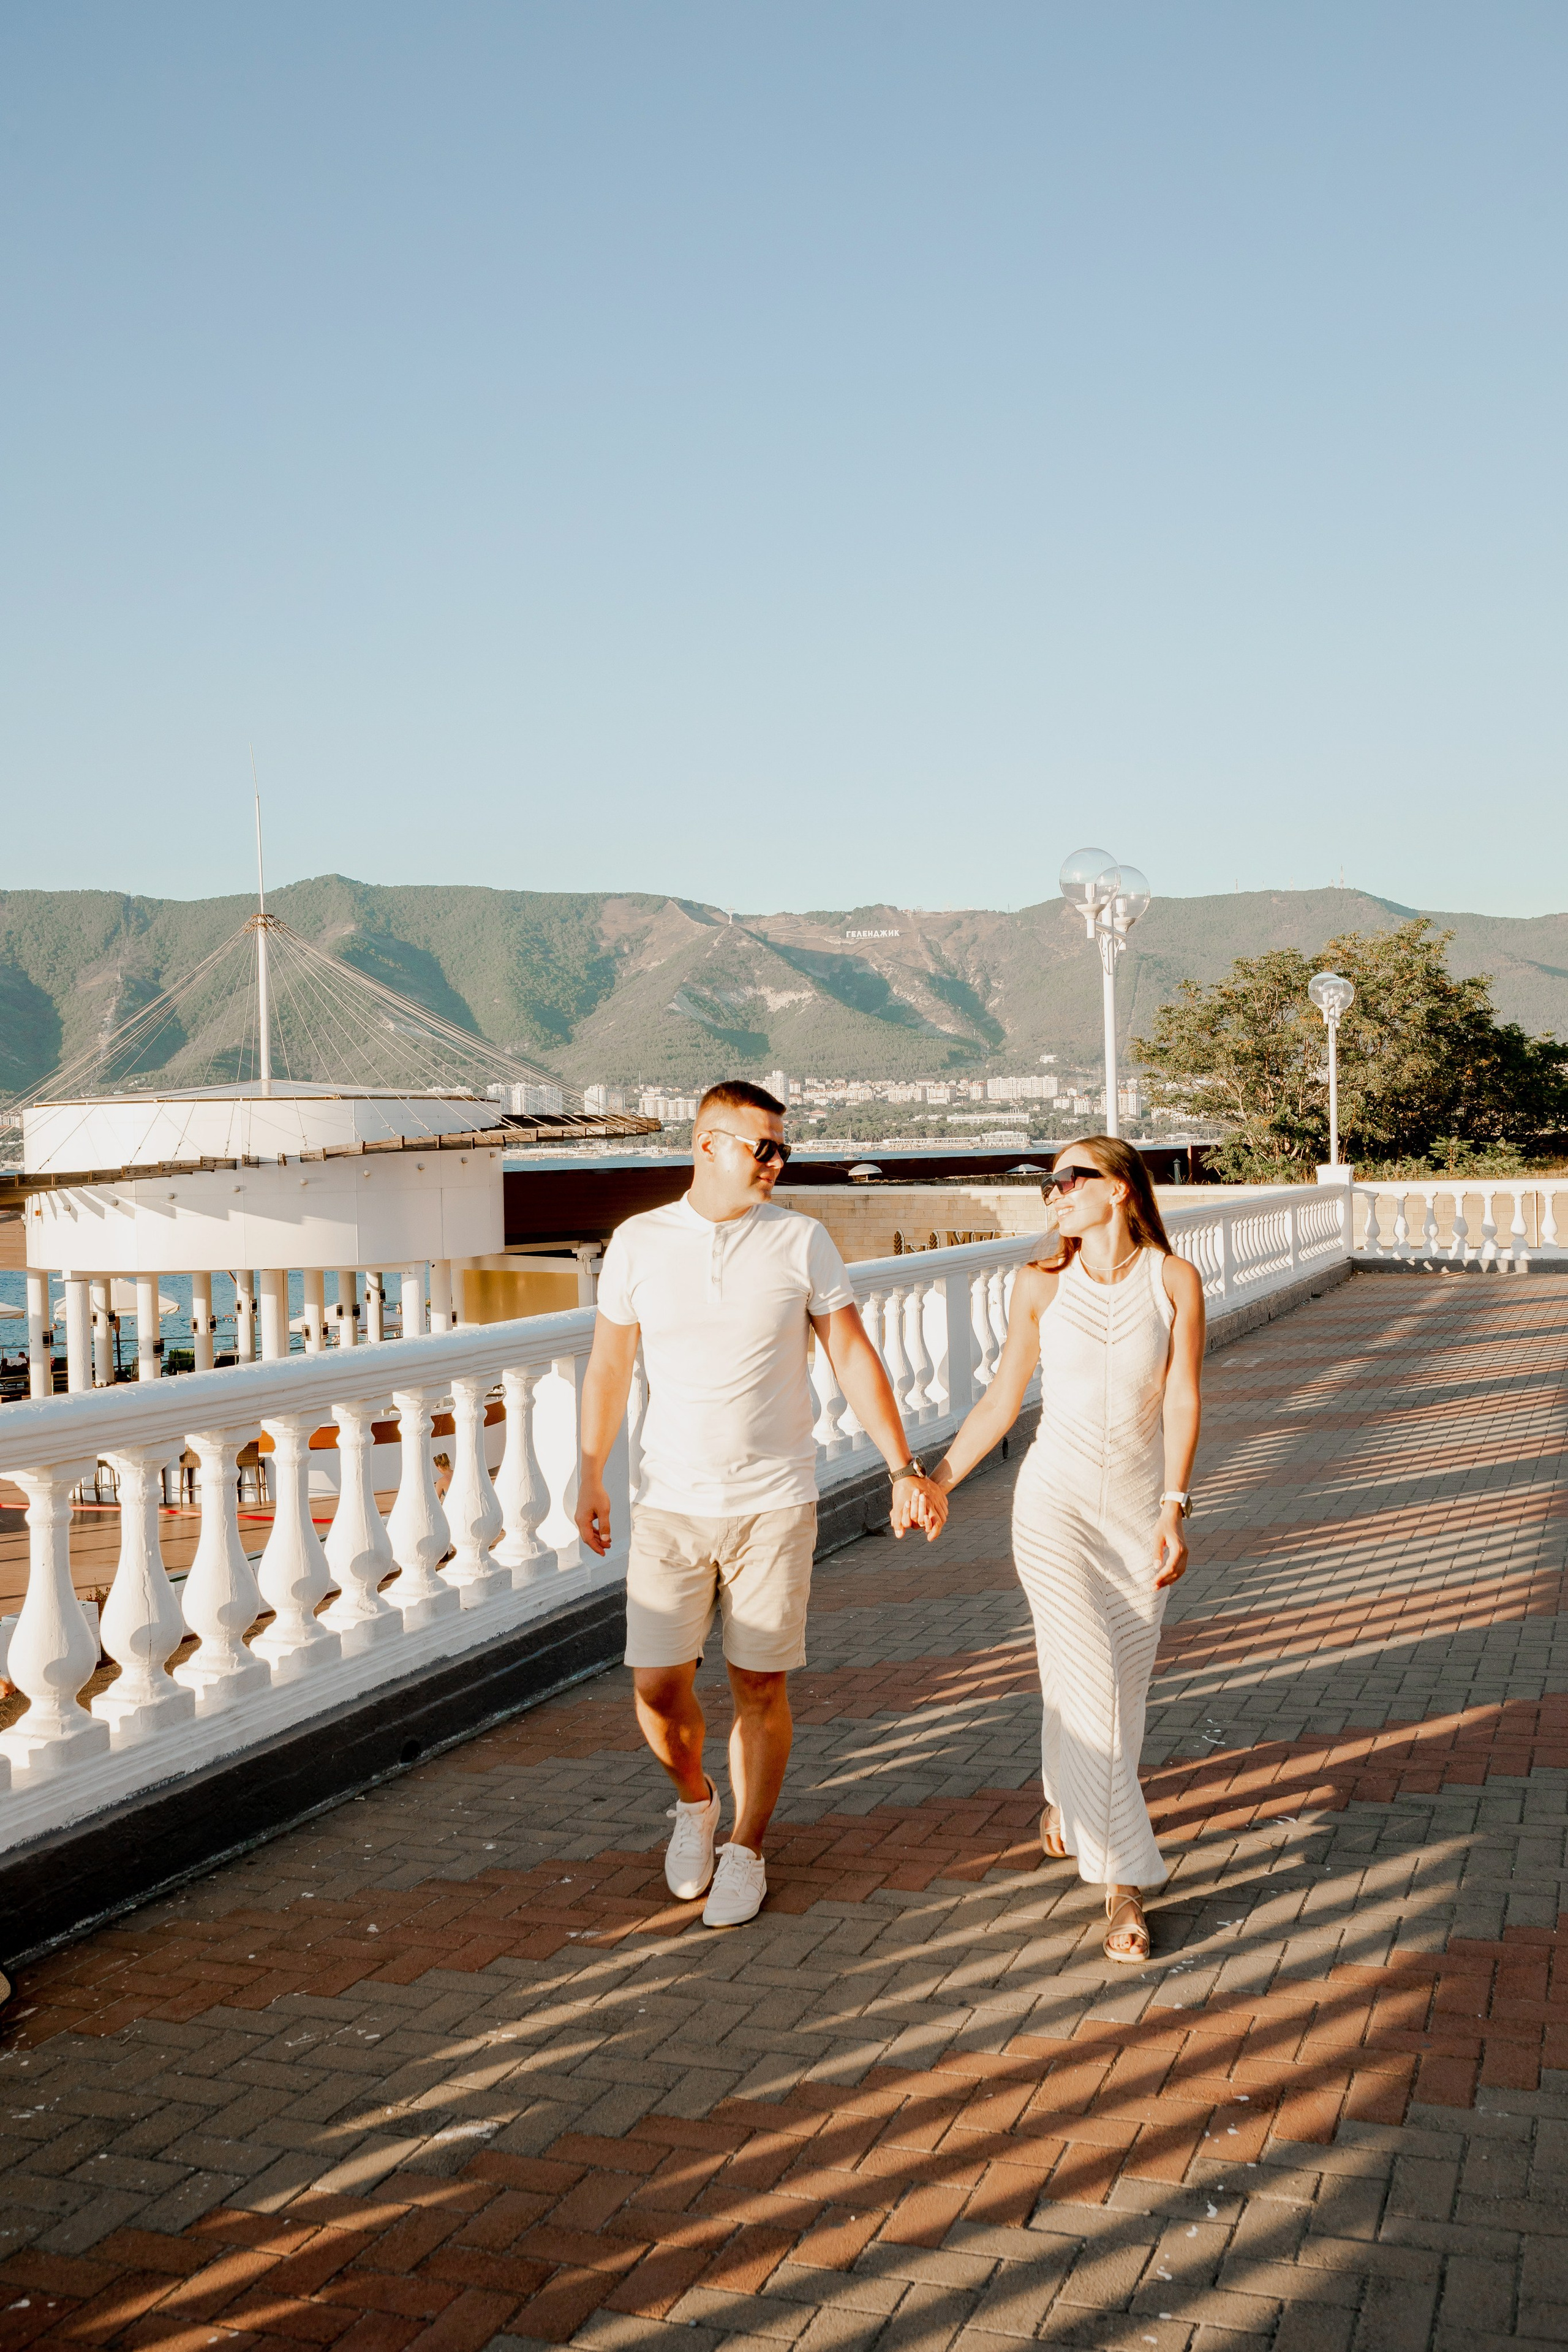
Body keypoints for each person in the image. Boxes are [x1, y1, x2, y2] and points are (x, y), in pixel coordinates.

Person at [576, 1079, 948, 1929]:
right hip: (669, 1502)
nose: (779, 1163)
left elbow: (853, 1358)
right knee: (658, 1688)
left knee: (759, 1683)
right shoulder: (638, 1243)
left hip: (774, 1502)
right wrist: (589, 1470)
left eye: (785, 1149)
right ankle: (695, 1801)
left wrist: (904, 1467)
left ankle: (745, 1847)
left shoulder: (802, 1241)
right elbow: (608, 1367)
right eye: (764, 1147)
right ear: (706, 1145)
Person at [907, 1136, 1204, 1964]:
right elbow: (1003, 1397)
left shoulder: (1172, 1281)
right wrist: (939, 1480)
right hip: (1054, 1508)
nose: (1057, 1192)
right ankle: (1125, 1881)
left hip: (1140, 1514)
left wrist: (1176, 1509)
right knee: (1095, 1682)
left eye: (1075, 1179)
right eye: (1051, 1181)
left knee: (1115, 1686)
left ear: (1121, 1192)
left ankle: (1068, 1804)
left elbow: (1182, 1398)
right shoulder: (1039, 1285)